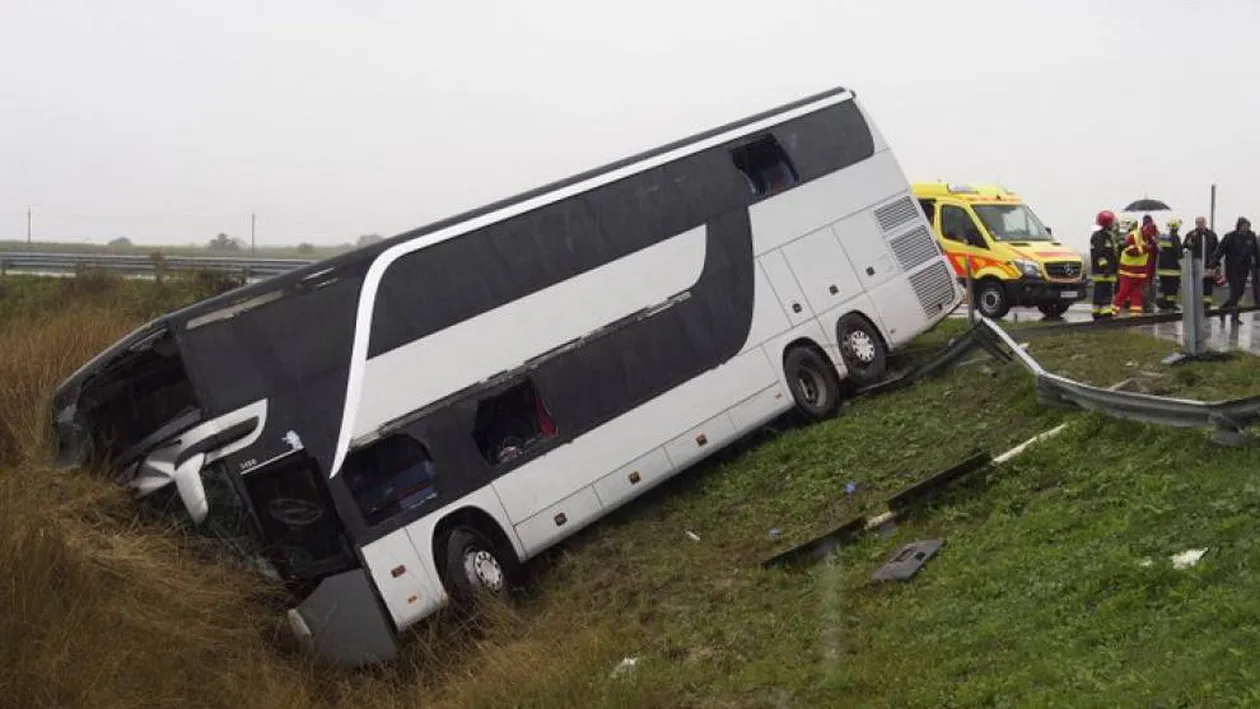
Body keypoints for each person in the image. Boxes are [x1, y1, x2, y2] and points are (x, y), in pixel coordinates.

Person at [1212, 216, 1260, 322]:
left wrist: (1257, 265)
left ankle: (1223, 309)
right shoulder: (1230, 236)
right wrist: (1215, 263)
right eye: (1244, 226)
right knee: (1235, 291)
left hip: (1244, 268)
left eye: (1247, 226)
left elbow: (1256, 252)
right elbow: (1220, 250)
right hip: (1232, 268)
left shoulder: (1251, 236)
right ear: (1239, 226)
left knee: (1240, 292)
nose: (1246, 228)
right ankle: (1235, 317)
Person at [1113, 221, 1154, 315]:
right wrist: (1144, 248)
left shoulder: (1150, 239)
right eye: (1149, 234)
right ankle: (1113, 311)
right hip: (1127, 270)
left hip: (1140, 271)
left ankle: (1136, 314)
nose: (1151, 237)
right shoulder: (1133, 236)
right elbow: (1129, 250)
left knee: (1136, 293)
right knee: (1124, 291)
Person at [1182, 216, 1220, 310]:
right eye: (1198, 223)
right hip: (1195, 264)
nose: (1200, 225)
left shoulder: (1211, 235)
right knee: (1196, 285)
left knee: (1208, 285)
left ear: (1205, 223)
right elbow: (1184, 246)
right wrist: (1189, 243)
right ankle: (1196, 304)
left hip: (1209, 265)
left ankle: (1207, 305)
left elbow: (1217, 250)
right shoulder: (1191, 234)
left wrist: (1216, 264)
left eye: (1201, 222)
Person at [1089, 210, 1119, 319]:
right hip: (1103, 271)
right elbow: (1099, 253)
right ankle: (1105, 311)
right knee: (1105, 291)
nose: (1113, 224)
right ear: (1107, 223)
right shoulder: (1100, 236)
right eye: (1112, 222)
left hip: (1105, 270)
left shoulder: (1106, 235)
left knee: (1100, 290)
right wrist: (1105, 267)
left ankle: (1097, 310)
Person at [1155, 217, 1184, 310]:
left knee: (1164, 286)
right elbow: (1178, 252)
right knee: (1172, 287)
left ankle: (1165, 303)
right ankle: (1171, 304)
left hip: (1162, 268)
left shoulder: (1163, 237)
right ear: (1177, 228)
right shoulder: (1175, 237)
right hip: (1173, 269)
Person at [1140, 215, 1160, 313]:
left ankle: (1144, 302)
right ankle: (1148, 303)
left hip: (1142, 258)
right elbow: (1154, 240)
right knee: (1150, 281)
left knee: (1144, 281)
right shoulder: (1152, 227)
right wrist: (1156, 241)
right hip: (1150, 257)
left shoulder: (1140, 229)